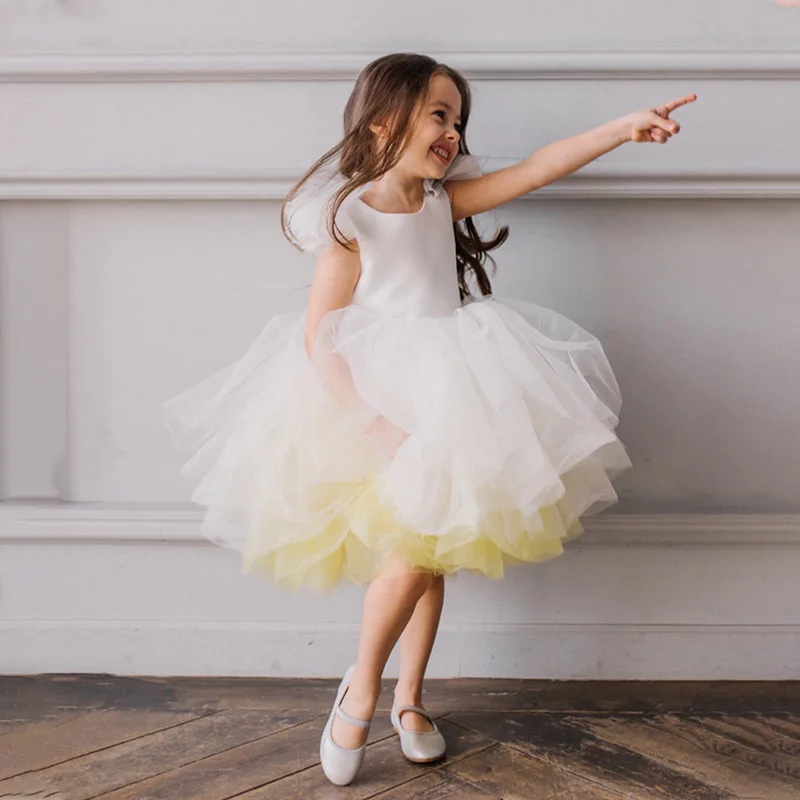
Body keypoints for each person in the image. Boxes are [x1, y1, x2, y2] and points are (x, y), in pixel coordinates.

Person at [160, 52, 696, 786]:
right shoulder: (351, 216)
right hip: (381, 396)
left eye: (457, 119)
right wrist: (373, 423)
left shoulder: (445, 201)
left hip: (455, 386)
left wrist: (623, 129)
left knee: (428, 549)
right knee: (414, 549)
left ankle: (407, 700)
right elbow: (320, 334)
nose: (451, 131)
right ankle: (363, 691)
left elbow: (539, 167)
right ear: (386, 120)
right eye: (437, 115)